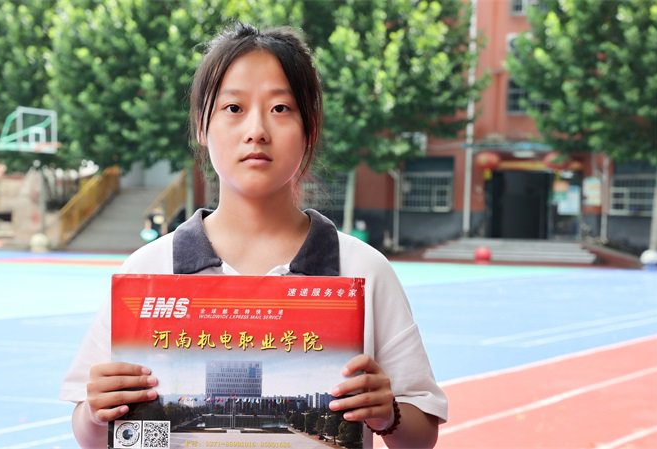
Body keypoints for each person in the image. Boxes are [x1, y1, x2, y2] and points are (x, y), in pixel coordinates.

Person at [61, 22, 447, 448]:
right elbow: (91, 434)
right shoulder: (147, 271)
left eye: (280, 108)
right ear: (202, 126)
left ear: (310, 128)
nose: (257, 130)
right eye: (233, 108)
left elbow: (420, 437)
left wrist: (388, 413)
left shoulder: (364, 270)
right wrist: (96, 411)